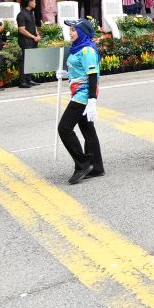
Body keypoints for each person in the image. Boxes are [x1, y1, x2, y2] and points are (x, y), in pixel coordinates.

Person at [56, 19, 104, 184]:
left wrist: (91, 101)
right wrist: (66, 74)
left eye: (74, 30)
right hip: (78, 92)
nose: (70, 32)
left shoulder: (87, 51)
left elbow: (92, 76)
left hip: (82, 96)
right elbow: (79, 71)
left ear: (82, 32)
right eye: (70, 30)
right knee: (87, 130)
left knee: (64, 128)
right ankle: (97, 167)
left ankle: (83, 163)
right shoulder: (77, 49)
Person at [15, 0, 41, 88]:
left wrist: (37, 34)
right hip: (26, 41)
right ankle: (22, 81)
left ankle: (29, 79)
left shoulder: (31, 13)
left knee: (32, 60)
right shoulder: (21, 14)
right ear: (29, 2)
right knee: (25, 61)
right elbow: (21, 30)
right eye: (34, 1)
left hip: (33, 40)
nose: (35, 3)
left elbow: (33, 26)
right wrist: (33, 37)